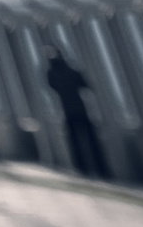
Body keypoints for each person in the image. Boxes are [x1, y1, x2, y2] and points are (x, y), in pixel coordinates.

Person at [45, 47, 112, 180]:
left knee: (75, 141)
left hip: (68, 111)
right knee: (91, 141)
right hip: (81, 110)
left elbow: (51, 86)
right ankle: (101, 169)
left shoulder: (52, 73)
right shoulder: (71, 71)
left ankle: (82, 168)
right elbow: (85, 84)